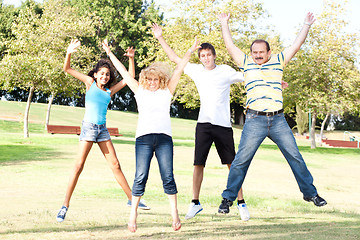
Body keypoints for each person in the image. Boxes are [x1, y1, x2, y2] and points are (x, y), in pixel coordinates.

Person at [217, 12, 327, 214]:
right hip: (254, 120)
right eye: (254, 52)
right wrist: (225, 23)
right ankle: (227, 199)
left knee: (295, 156)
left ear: (269, 52)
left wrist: (306, 25)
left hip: (277, 120)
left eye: (261, 52)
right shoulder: (246, 63)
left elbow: (296, 45)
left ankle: (310, 193)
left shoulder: (279, 61)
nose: (258, 55)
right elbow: (230, 46)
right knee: (241, 160)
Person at [151, 23, 250, 221]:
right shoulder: (196, 70)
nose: (205, 58)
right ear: (200, 58)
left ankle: (241, 203)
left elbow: (249, 76)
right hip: (203, 125)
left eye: (208, 55)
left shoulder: (225, 71)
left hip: (223, 126)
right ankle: (195, 203)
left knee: (233, 165)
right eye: (202, 55)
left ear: (214, 55)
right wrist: (160, 37)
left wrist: (273, 81)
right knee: (198, 164)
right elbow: (174, 58)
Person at [102, 36, 200, 232]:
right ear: (144, 80)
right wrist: (109, 53)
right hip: (144, 139)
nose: (152, 82)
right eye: (149, 79)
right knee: (140, 176)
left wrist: (190, 50)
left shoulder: (167, 91)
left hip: (164, 139)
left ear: (161, 80)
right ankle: (133, 215)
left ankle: (175, 215)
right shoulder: (140, 91)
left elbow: (180, 68)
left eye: (156, 79)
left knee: (168, 176)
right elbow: (123, 71)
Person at [56, 39, 149, 223]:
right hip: (89, 128)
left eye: (107, 74)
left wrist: (131, 59)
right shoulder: (89, 83)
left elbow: (129, 77)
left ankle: (132, 199)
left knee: (115, 165)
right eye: (102, 74)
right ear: (96, 74)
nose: (105, 77)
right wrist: (69, 52)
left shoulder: (109, 91)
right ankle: (64, 206)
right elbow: (67, 69)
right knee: (78, 166)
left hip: (102, 130)